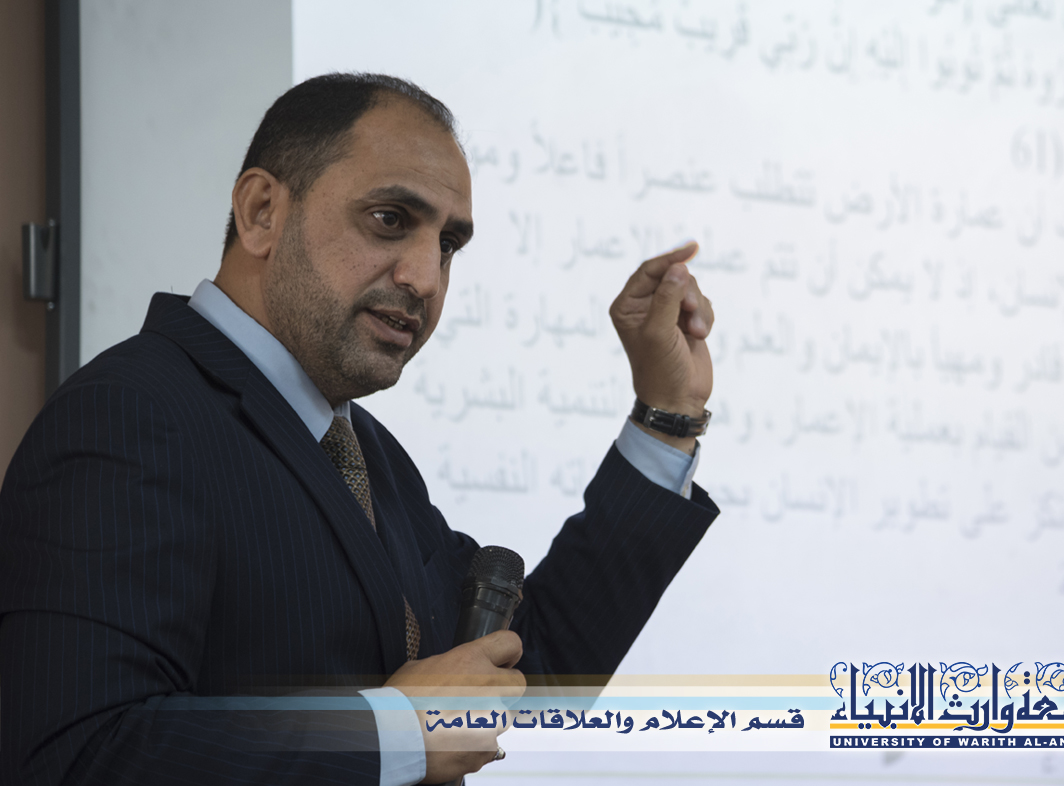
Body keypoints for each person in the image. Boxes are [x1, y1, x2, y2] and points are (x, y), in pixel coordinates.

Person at [0, 73, 718, 785]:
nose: (426, 278)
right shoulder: (129, 416)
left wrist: (667, 417)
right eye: (389, 220)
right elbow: (74, 751)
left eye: (448, 245)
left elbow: (532, 668)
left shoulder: (366, 452)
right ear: (261, 212)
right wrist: (389, 733)